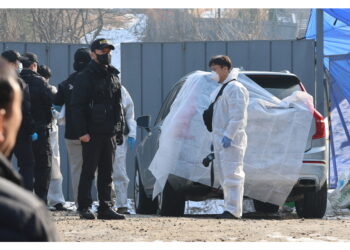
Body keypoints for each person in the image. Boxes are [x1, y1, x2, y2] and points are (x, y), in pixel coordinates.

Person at [0, 58, 59, 241]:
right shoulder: (25, 218)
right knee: (34, 166)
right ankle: (40, 196)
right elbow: (51, 100)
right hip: (35, 132)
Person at [71, 38, 125, 220]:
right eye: (103, 52)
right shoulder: (85, 76)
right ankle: (84, 206)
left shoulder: (112, 75)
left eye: (108, 51)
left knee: (107, 171)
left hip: (109, 130)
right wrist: (82, 132)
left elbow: (118, 104)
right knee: (88, 171)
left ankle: (105, 206)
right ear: (93, 54)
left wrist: (120, 129)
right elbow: (76, 106)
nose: (107, 54)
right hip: (92, 132)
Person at [208, 55, 249, 219]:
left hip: (232, 141)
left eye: (215, 70)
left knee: (233, 175)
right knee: (226, 176)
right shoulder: (223, 88)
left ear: (225, 69)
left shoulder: (235, 88)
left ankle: (233, 211)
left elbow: (238, 116)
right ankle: (229, 208)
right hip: (222, 140)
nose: (213, 74)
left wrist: (229, 135)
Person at [54, 48, 91, 205]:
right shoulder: (95, 80)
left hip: (72, 133)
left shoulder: (66, 83)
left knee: (77, 169)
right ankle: (107, 201)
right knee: (101, 168)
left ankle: (80, 202)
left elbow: (55, 106)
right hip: (94, 132)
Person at [20, 52, 54, 204]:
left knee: (25, 167)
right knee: (43, 166)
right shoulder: (40, 82)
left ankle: (25, 200)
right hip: (40, 130)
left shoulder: (16, 80)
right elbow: (51, 101)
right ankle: (40, 201)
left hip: (20, 131)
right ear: (34, 65)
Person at [1, 50, 36, 191]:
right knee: (27, 165)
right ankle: (24, 195)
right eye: (17, 62)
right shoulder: (19, 83)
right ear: (10, 64)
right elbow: (25, 109)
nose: (19, 65)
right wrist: (31, 129)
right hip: (19, 131)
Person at [38, 65, 67, 211]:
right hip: (45, 130)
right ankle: (50, 200)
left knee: (53, 165)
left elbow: (58, 111)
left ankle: (56, 200)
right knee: (47, 165)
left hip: (50, 131)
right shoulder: (45, 89)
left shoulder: (52, 90)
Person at [112, 85, 136, 214]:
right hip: (97, 134)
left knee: (119, 169)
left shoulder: (119, 89)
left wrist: (132, 132)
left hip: (118, 135)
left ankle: (122, 204)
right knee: (100, 170)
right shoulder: (90, 83)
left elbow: (129, 113)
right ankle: (106, 203)